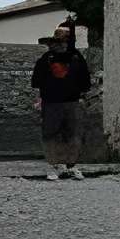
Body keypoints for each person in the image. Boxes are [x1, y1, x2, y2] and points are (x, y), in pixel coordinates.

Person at [30, 22, 92, 179]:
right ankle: (55, 165)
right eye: (59, 41)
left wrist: (83, 96)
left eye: (64, 41)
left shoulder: (77, 58)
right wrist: (39, 99)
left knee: (73, 134)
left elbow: (84, 79)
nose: (61, 44)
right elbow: (37, 81)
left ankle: (71, 165)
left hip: (72, 101)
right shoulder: (46, 59)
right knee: (52, 134)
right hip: (51, 102)